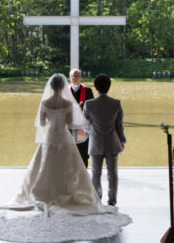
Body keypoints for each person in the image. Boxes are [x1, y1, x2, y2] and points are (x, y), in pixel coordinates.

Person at [9, 73, 109, 211]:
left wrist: (51, 121)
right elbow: (69, 122)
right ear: (63, 87)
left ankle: (43, 191)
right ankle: (67, 192)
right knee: (69, 164)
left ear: (51, 86)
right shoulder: (68, 103)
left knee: (44, 163)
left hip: (49, 137)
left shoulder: (45, 103)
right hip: (63, 136)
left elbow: (42, 123)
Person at [83, 74, 127, 207]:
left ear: (96, 87)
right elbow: (119, 125)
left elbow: (84, 123)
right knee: (112, 173)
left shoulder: (89, 104)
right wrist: (122, 141)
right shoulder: (116, 103)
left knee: (96, 173)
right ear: (109, 86)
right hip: (112, 142)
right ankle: (112, 199)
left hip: (95, 142)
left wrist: (92, 131)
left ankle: (97, 197)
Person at [69, 69, 94, 167]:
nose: (75, 78)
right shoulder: (65, 91)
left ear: (80, 77)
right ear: (70, 78)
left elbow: (92, 108)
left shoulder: (87, 90)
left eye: (77, 76)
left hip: (82, 126)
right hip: (69, 126)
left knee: (82, 148)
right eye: (73, 76)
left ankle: (84, 172)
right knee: (70, 149)